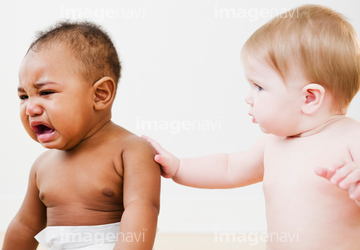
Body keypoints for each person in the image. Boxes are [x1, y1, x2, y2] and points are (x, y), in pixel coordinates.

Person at [143, 4, 360, 249]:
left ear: (309, 98)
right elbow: (227, 168)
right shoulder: (272, 145)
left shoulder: (352, 138)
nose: (249, 97)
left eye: (259, 87)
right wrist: (179, 166)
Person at [3, 21, 160, 250]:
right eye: (24, 96)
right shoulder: (42, 166)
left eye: (45, 92)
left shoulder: (131, 151)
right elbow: (25, 226)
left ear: (100, 95)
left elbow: (142, 210)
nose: (30, 108)